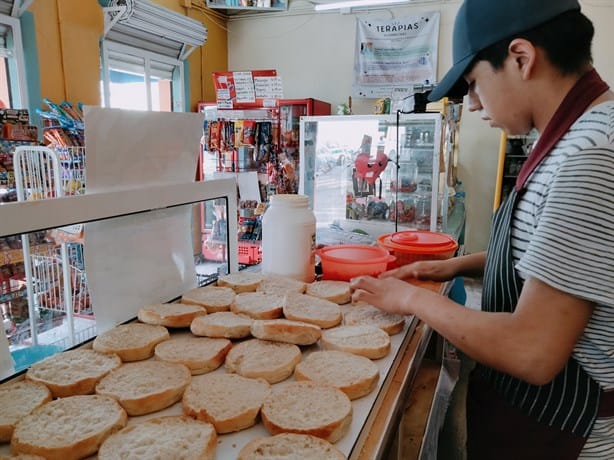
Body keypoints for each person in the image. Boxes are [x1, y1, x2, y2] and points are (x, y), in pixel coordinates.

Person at [349, 1, 614, 458]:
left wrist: (410, 299)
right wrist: (449, 267)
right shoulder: (575, 136)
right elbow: (552, 260)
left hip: (565, 431)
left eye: (473, 84)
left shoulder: (589, 156)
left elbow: (533, 351)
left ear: (522, 58)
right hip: (530, 418)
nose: (472, 104)